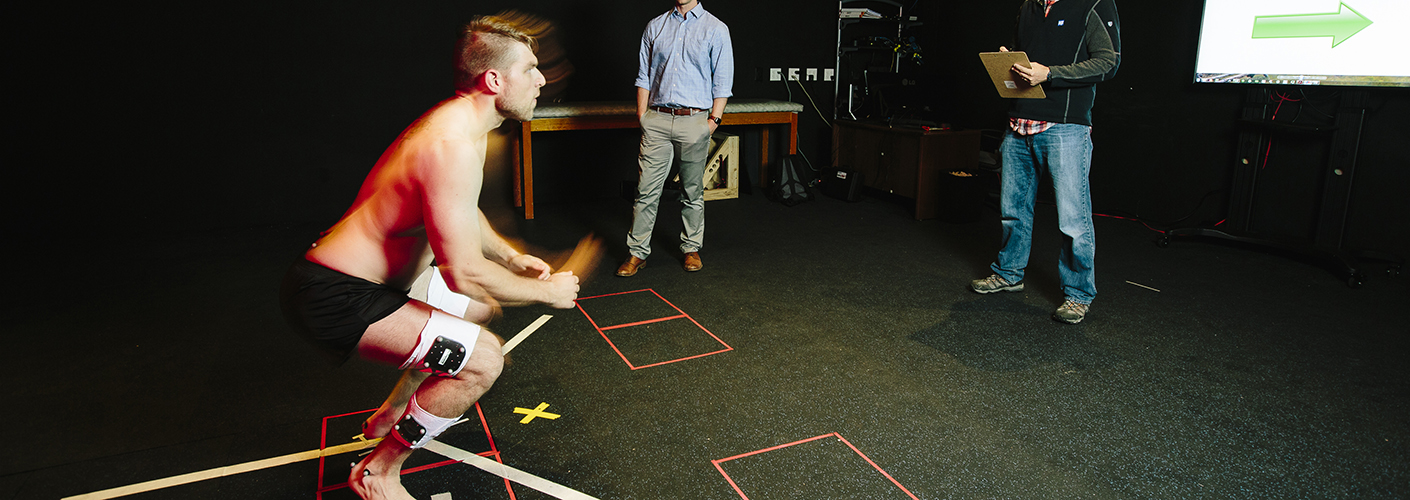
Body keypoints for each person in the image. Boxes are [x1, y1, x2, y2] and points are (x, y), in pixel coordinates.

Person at [279, 15, 579, 500]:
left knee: (476, 311)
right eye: (531, 68)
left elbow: (457, 207)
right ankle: (380, 470)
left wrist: (509, 253)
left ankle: (392, 413)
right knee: (483, 360)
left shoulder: (466, 123)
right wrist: (549, 293)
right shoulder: (451, 144)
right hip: (335, 293)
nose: (543, 79)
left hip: (370, 282)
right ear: (495, 79)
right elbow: (461, 272)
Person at [971, 0, 1120, 324]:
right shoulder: (1028, 7)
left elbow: (1108, 63)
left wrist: (1050, 74)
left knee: (1073, 221)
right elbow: (1024, 53)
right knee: (1013, 211)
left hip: (1065, 127)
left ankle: (1079, 295)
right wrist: (1008, 58)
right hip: (1019, 123)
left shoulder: (1093, 4)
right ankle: (1008, 273)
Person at [616, 0, 734, 277]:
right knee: (646, 192)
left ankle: (691, 248)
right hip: (656, 120)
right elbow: (644, 75)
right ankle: (637, 253)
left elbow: (723, 81)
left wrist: (713, 121)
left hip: (695, 121)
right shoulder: (655, 26)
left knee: (692, 191)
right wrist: (642, 115)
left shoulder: (716, 28)